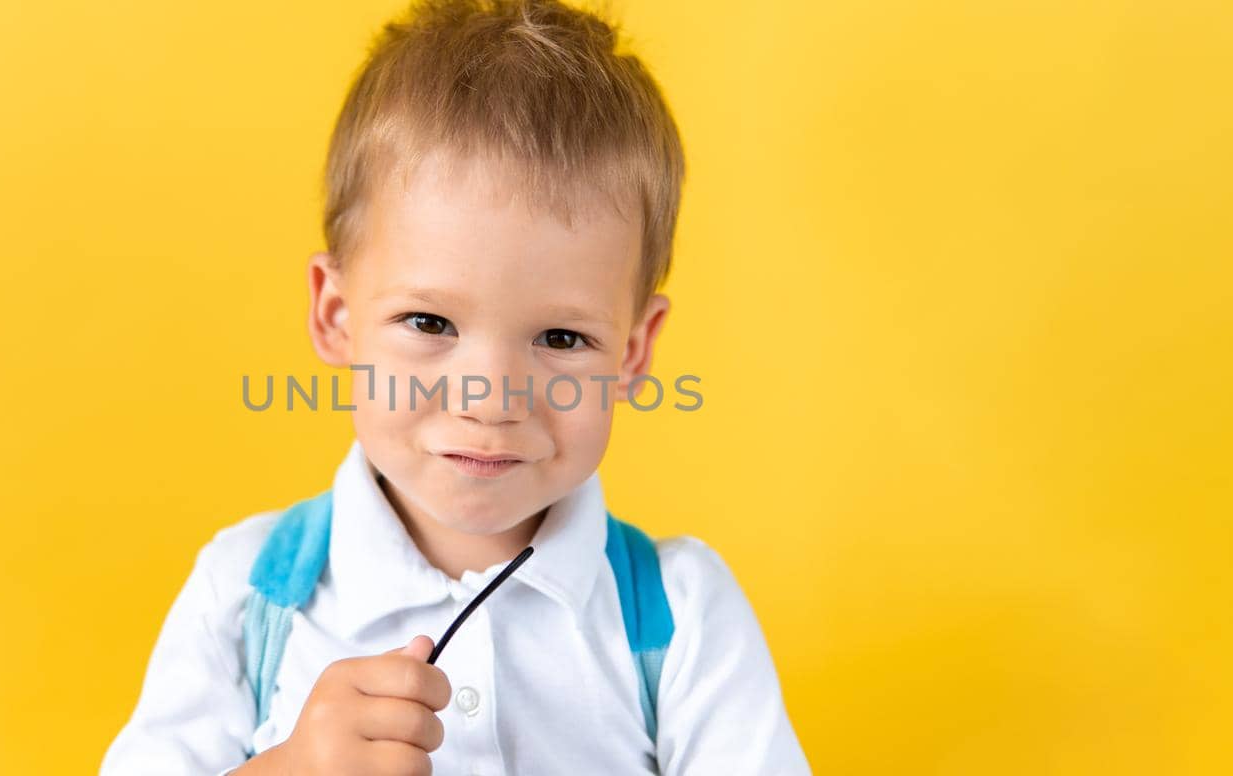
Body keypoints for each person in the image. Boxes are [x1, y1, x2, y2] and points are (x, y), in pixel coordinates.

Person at [102, 1, 810, 773]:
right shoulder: (247, 593)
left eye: (561, 338)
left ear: (633, 350)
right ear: (337, 316)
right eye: (430, 322)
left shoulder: (680, 617)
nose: (492, 398)